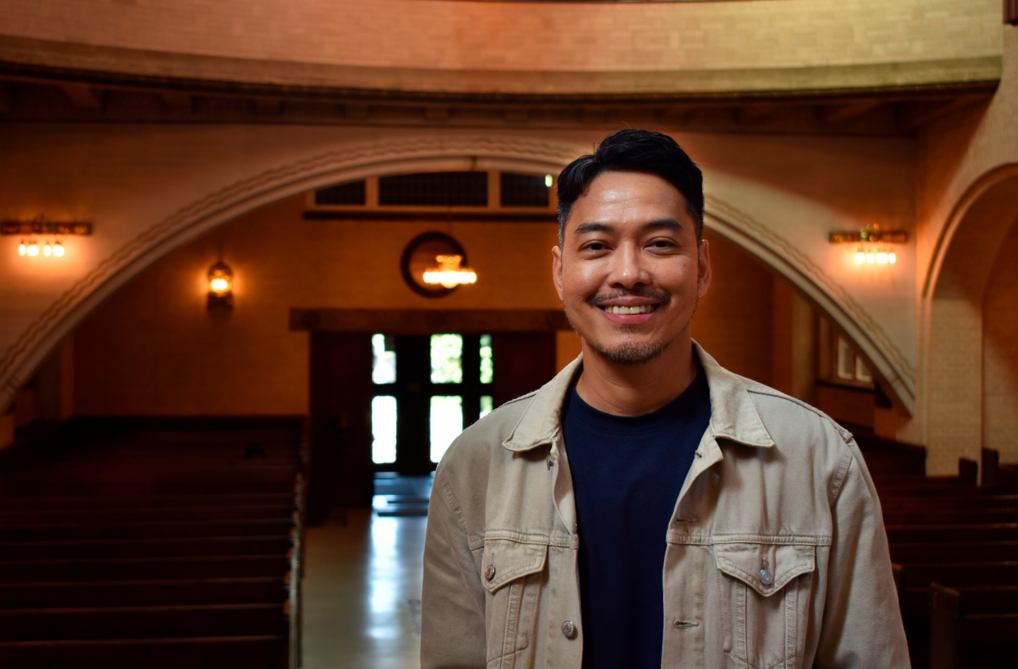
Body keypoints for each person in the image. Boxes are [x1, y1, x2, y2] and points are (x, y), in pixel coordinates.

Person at [420, 129, 910, 669]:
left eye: (659, 243)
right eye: (596, 246)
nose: (628, 273)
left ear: (701, 267)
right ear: (560, 271)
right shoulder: (475, 465)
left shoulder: (818, 458)